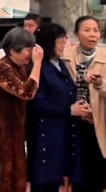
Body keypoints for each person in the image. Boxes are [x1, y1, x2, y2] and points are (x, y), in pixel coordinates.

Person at [27, 24, 86, 192]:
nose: (64, 45)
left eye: (65, 40)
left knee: (56, 180)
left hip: (62, 132)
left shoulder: (61, 64)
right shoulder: (39, 68)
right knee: (43, 183)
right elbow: (38, 104)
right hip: (45, 134)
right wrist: (70, 110)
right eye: (60, 41)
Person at [61, 15, 106, 192]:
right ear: (77, 34)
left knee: (95, 168)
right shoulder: (65, 56)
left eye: (96, 30)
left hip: (95, 121)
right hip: (71, 119)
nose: (92, 34)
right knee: (74, 169)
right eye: (87, 30)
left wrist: (99, 83)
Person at [0, 27, 43, 192]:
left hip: (14, 127)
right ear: (12, 51)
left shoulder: (18, 66)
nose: (31, 54)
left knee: (17, 172)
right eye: (27, 50)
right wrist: (38, 63)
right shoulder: (1, 68)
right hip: (0, 130)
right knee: (3, 174)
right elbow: (27, 92)